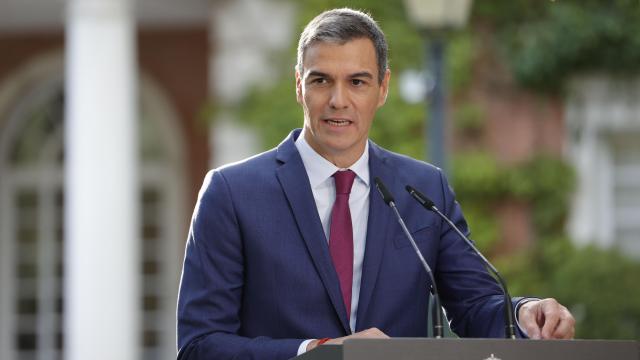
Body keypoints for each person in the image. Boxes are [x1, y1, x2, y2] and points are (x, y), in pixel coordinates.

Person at [176, 8, 575, 360]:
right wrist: (316, 351)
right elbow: (200, 345)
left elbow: (474, 305)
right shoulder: (231, 193)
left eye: (357, 82)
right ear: (299, 85)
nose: (338, 100)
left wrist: (524, 313)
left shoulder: (423, 189)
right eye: (321, 81)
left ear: (383, 88)